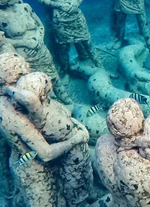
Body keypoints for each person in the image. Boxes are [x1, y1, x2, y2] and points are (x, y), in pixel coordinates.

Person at [0, 53, 88, 206]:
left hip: (48, 153)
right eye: (22, 72)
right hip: (34, 168)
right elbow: (46, 154)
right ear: (11, 81)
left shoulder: (21, 93)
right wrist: (77, 138)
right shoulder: (14, 114)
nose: (28, 70)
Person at [22, 0, 103, 80]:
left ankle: (100, 67)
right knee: (64, 47)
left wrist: (75, 3)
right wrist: (58, 5)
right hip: (60, 18)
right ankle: (66, 72)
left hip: (75, 14)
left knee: (87, 41)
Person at [0, 0, 71, 104]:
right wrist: (26, 43)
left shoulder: (25, 7)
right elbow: (3, 41)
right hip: (25, 55)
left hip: (40, 48)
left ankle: (65, 98)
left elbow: (40, 25)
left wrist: (38, 39)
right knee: (36, 81)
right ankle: (51, 103)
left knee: (53, 73)